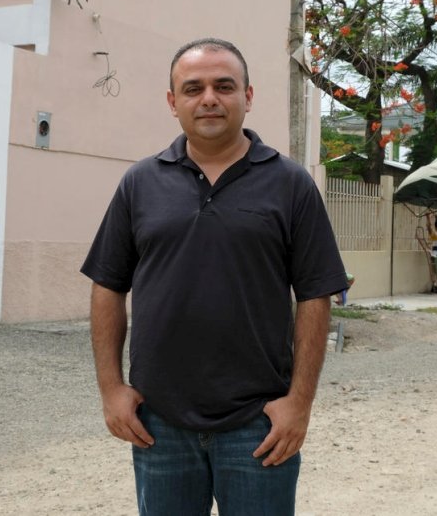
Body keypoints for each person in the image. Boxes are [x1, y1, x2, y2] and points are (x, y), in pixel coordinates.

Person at [81, 38, 347, 515]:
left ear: (248, 96)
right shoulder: (140, 183)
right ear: (172, 101)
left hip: (258, 424)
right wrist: (111, 389)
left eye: (224, 86)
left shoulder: (290, 185)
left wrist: (299, 403)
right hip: (158, 422)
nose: (209, 98)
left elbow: (315, 294)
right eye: (193, 87)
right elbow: (107, 284)